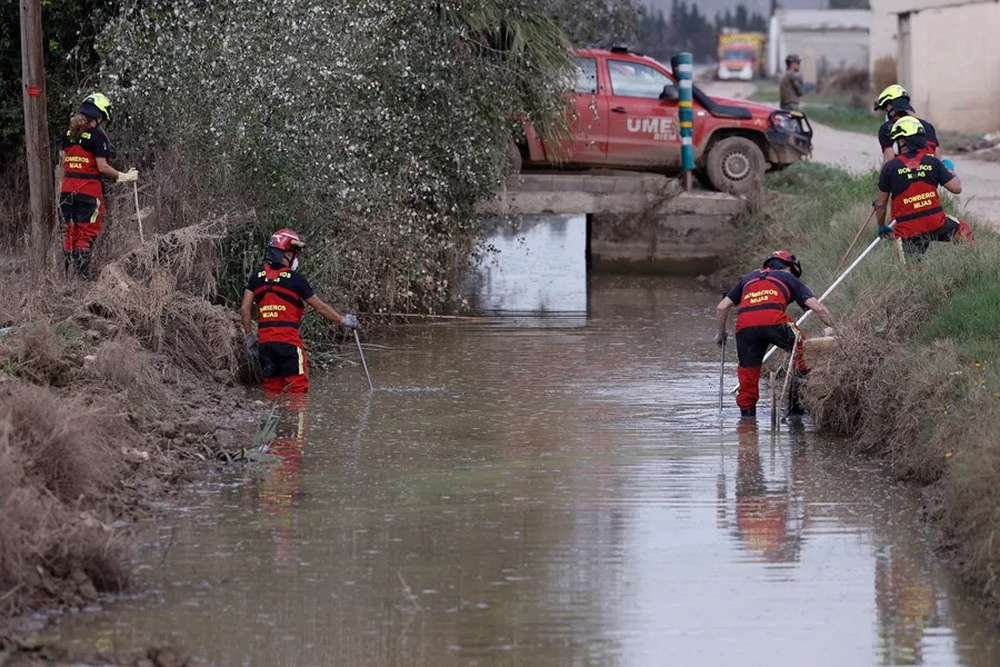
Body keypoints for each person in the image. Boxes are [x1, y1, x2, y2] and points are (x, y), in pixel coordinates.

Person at [715, 251, 836, 419]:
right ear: (790, 268)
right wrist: (836, 328)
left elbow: (722, 307)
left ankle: (747, 422)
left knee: (748, 372)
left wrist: (721, 333)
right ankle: (795, 410)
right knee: (804, 351)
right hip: (775, 320)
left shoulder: (748, 278)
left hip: (745, 326)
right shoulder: (788, 277)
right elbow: (818, 308)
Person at [240, 229, 359, 394]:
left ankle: (270, 412)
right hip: (288, 343)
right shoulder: (296, 279)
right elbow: (320, 307)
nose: (296, 259)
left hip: (265, 344)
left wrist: (249, 337)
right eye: (295, 254)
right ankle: (296, 412)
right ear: (288, 254)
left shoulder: (256, 277)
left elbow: (244, 309)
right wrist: (343, 320)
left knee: (271, 389)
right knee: (298, 389)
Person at [58, 93, 138, 276]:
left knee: (70, 232)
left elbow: (63, 164)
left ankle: (68, 278)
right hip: (88, 193)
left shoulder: (68, 134)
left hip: (67, 191)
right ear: (99, 116)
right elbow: (103, 167)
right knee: (86, 233)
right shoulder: (97, 136)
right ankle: (81, 279)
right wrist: (125, 176)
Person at [874, 116, 972, 257]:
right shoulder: (932, 161)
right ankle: (973, 261)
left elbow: (880, 203)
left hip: (907, 230)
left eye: (896, 140)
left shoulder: (890, 168)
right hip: (936, 223)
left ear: (902, 141)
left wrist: (882, 226)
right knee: (964, 233)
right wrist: (948, 168)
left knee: (911, 268)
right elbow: (957, 188)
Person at [872, 84, 941, 164]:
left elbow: (888, 162)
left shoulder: (886, 128)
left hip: (906, 170)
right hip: (932, 169)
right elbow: (938, 158)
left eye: (884, 108)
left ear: (889, 106)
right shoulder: (928, 126)